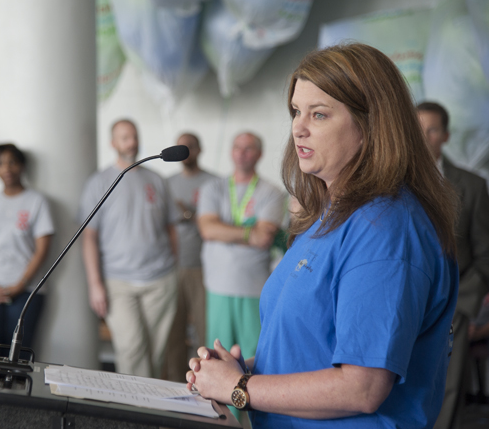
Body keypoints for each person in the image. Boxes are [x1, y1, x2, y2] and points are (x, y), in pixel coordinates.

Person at [187, 43, 460, 429]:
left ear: (371, 126)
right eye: (297, 111)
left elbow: (362, 386)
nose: (298, 126)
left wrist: (240, 387)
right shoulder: (334, 214)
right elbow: (312, 349)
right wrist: (238, 371)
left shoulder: (386, 230)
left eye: (319, 114)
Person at [79, 119, 178, 378]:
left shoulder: (157, 180)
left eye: (134, 136)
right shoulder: (99, 183)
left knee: (156, 353)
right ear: (113, 143)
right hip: (118, 282)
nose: (131, 142)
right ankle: (136, 414)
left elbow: (171, 228)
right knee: (131, 348)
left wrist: (174, 270)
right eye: (124, 137)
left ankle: (151, 412)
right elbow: (88, 237)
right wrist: (94, 284)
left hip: (160, 280)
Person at [416, 101, 489, 429]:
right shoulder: (393, 182)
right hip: (407, 300)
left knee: (447, 389)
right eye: (417, 129)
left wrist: (462, 304)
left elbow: (486, 253)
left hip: (453, 307)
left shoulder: (472, 186)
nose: (424, 136)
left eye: (431, 129)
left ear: (444, 135)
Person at [197, 132, 285, 362]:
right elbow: (207, 230)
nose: (242, 153)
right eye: (237, 147)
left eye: (248, 148)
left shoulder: (272, 192)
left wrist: (223, 229)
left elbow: (264, 236)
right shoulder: (213, 188)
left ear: (260, 154)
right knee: (215, 356)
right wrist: (249, 232)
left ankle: (253, 399)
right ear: (230, 151)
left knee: (254, 357)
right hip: (218, 284)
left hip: (254, 286)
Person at [0, 144, 54, 354]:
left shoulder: (36, 201)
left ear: (22, 166)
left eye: (12, 162)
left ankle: (18, 388)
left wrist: (20, 284)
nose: (7, 168)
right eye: (0, 163)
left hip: (26, 290)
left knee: (21, 351)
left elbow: (42, 250)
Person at [164, 132, 217, 382]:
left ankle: (206, 384)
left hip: (203, 267)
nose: (185, 150)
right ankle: (175, 384)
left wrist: (187, 213)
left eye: (190, 146)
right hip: (172, 267)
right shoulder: (167, 183)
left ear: (199, 150)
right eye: (180, 146)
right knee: (172, 333)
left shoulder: (213, 183)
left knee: (204, 331)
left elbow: (218, 223)